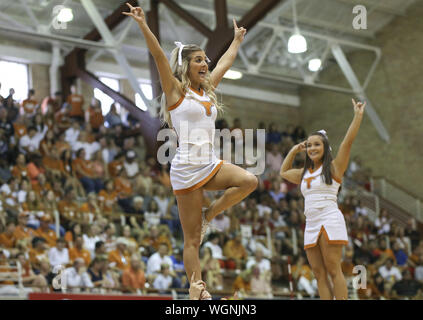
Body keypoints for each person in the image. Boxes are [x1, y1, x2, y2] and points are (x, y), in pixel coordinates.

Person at [123, 3, 257, 298]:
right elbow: (158, 55)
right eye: (198, 60)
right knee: (192, 239)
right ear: (186, 65)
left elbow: (225, 63)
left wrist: (236, 40)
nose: (205, 63)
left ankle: (211, 212)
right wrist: (143, 24)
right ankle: (196, 287)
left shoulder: (207, 91)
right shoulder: (174, 92)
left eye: (204, 59)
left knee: (250, 181)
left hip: (209, 163)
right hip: (185, 168)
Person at [280, 99, 366, 300]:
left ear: (325, 147)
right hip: (310, 223)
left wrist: (358, 116)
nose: (312, 148)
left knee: (333, 269)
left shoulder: (335, 167)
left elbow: (347, 142)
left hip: (329, 218)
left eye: (316, 144)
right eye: (309, 145)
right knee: (319, 274)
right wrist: (294, 149)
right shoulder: (303, 173)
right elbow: (283, 172)